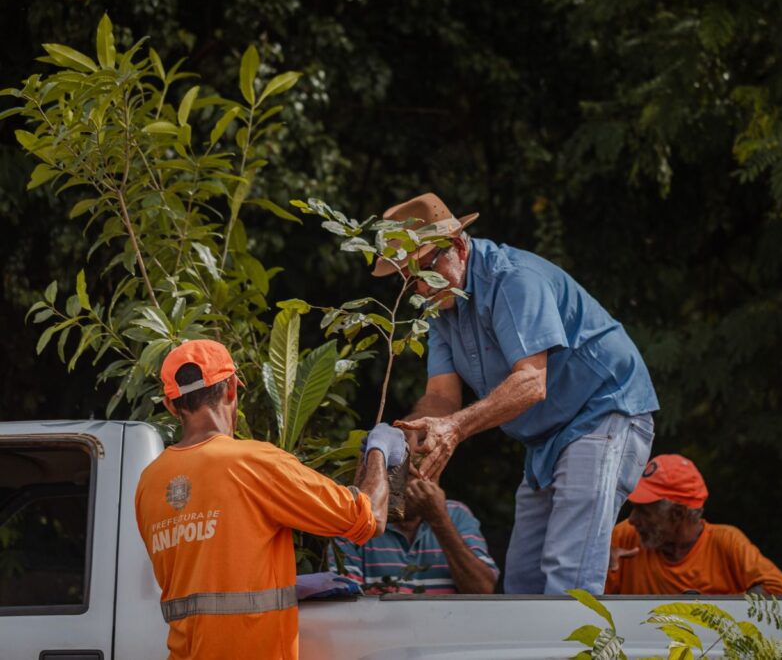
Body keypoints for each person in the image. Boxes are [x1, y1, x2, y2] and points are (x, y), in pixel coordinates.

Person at [377, 193, 659, 595]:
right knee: (523, 582)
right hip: (545, 440)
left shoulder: (513, 280)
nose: (421, 288)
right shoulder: (440, 306)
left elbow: (531, 382)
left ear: (457, 246)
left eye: (426, 269)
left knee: (568, 574)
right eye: (410, 280)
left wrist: (453, 430)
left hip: (603, 412)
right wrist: (411, 435)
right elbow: (441, 396)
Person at [134, 339, 407, 660]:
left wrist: (281, 580)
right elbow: (369, 517)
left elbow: (205, 568)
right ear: (232, 389)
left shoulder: (149, 483)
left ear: (170, 406)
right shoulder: (252, 462)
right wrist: (380, 449)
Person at [604, 454, 782, 596]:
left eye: (644, 511)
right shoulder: (625, 538)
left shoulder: (726, 542)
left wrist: (710, 609)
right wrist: (598, 564)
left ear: (678, 513)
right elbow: (586, 603)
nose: (632, 519)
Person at [333, 478, 499, 594]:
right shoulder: (357, 522)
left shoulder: (456, 515)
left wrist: (439, 520)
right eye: (409, 473)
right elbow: (347, 604)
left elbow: (483, 589)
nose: (418, 485)